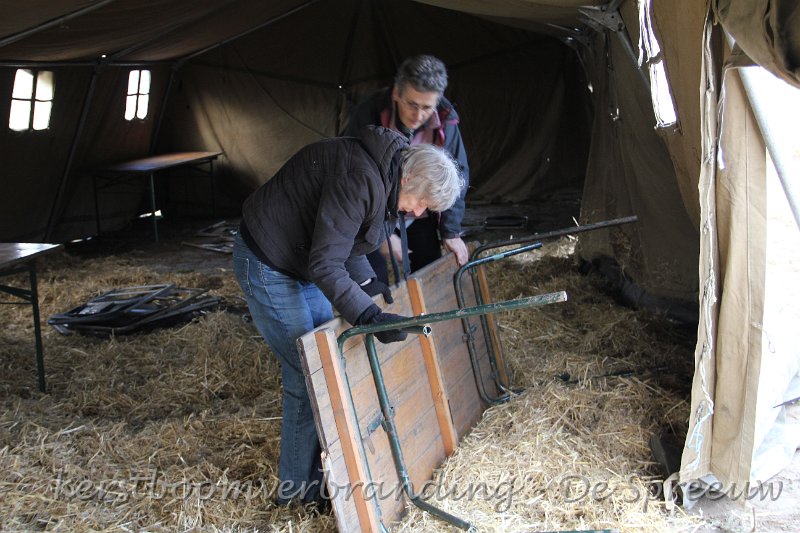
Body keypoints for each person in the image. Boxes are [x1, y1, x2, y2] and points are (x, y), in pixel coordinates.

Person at [232, 125, 462, 507]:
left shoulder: (387, 176)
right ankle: (296, 493)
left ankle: (324, 470)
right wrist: (367, 315)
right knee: (307, 375)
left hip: (300, 258)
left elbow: (344, 237)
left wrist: (369, 286)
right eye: (421, 202)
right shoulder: (362, 177)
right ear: (409, 179)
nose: (419, 212)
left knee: (328, 362)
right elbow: (326, 263)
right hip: (269, 259)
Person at [344, 54, 470, 282]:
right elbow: (353, 177)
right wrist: (380, 233)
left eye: (427, 107)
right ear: (396, 93)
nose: (418, 115)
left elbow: (455, 176)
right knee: (372, 279)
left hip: (419, 211)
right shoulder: (369, 113)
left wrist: (451, 231)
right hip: (375, 212)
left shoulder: (446, 120)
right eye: (412, 105)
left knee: (429, 273)